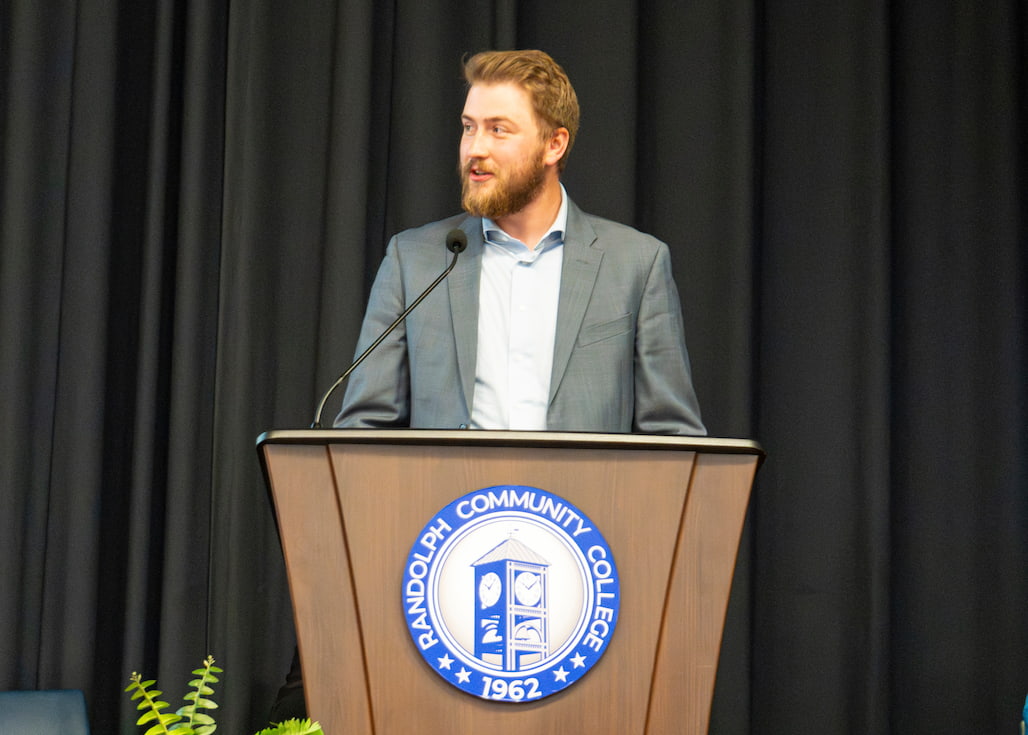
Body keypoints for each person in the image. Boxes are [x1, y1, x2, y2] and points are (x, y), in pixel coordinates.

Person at [271, 48, 704, 722]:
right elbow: (362, 434)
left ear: (555, 143)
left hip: (585, 582)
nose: (476, 147)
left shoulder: (634, 264)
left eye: (499, 130)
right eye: (469, 127)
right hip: (437, 577)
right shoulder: (418, 258)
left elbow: (677, 442)